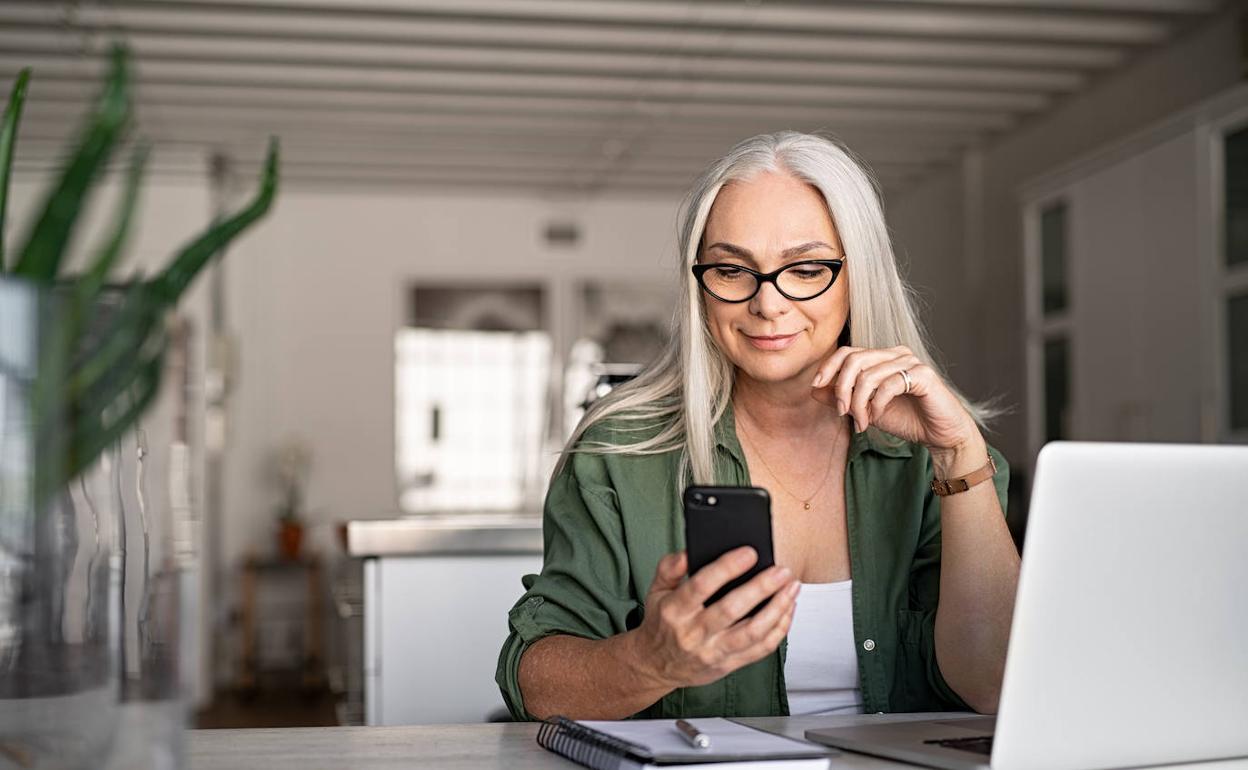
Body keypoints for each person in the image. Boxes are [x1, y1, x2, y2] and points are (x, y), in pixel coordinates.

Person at [495, 131, 1021, 721]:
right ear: (701, 287)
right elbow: (535, 684)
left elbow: (996, 685)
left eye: (805, 269)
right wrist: (651, 660)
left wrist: (958, 457)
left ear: (858, 275)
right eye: (731, 270)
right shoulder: (619, 451)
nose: (767, 304)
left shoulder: (944, 459)